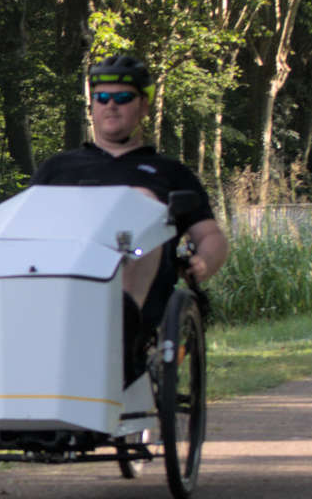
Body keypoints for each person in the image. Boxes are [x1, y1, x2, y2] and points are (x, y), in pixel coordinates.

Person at [31, 54, 229, 382]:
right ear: (92, 106)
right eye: (102, 98)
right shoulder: (57, 169)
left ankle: (123, 330)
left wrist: (204, 262)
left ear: (143, 106)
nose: (111, 106)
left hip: (140, 283)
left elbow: (210, 236)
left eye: (123, 98)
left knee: (142, 201)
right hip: (62, 280)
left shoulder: (169, 173)